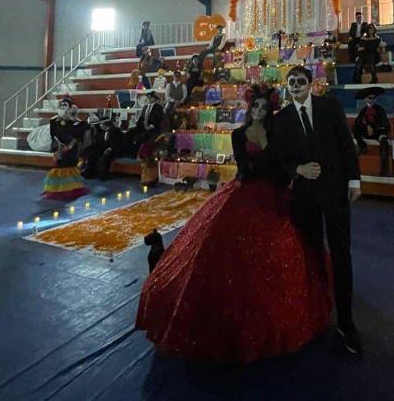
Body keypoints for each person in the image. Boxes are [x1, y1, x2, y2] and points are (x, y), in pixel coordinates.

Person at [136, 84, 332, 362]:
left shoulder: (277, 132)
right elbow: (246, 170)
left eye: (265, 108)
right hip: (247, 193)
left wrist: (283, 168)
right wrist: (276, 166)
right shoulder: (239, 134)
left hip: (275, 194)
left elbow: (279, 163)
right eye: (256, 107)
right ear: (250, 108)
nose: (261, 112)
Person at [273, 66, 363, 354]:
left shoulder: (329, 106)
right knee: (310, 255)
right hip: (304, 197)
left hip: (335, 191)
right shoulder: (282, 119)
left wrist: (354, 179)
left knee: (341, 255)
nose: (296, 86)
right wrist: (297, 169)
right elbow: (279, 160)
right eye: (291, 82)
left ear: (311, 84)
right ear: (287, 87)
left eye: (301, 81)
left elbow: (346, 145)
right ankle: (313, 313)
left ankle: (346, 321)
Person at [43, 97, 89, 200]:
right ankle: (57, 189)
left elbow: (78, 137)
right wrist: (56, 148)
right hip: (59, 148)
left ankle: (69, 189)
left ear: (70, 107)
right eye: (61, 105)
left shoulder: (77, 122)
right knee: (58, 166)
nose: (63, 107)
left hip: (71, 149)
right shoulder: (54, 121)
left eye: (65, 105)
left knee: (68, 167)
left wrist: (70, 146)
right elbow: (53, 136)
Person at [353, 86, 391, 176]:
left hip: (378, 133)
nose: (372, 100)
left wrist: (379, 131)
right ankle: (362, 146)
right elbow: (357, 123)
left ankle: (383, 170)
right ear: (365, 99)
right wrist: (366, 126)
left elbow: (385, 124)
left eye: (374, 98)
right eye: (370, 98)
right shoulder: (363, 111)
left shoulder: (380, 109)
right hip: (366, 133)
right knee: (355, 130)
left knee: (384, 143)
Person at [81, 111, 123, 180]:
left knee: (107, 155)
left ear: (105, 124)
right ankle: (89, 173)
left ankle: (104, 175)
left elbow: (117, 142)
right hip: (103, 148)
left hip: (113, 149)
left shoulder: (115, 130)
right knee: (92, 154)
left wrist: (110, 148)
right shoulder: (102, 132)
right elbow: (99, 142)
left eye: (101, 123)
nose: (100, 125)